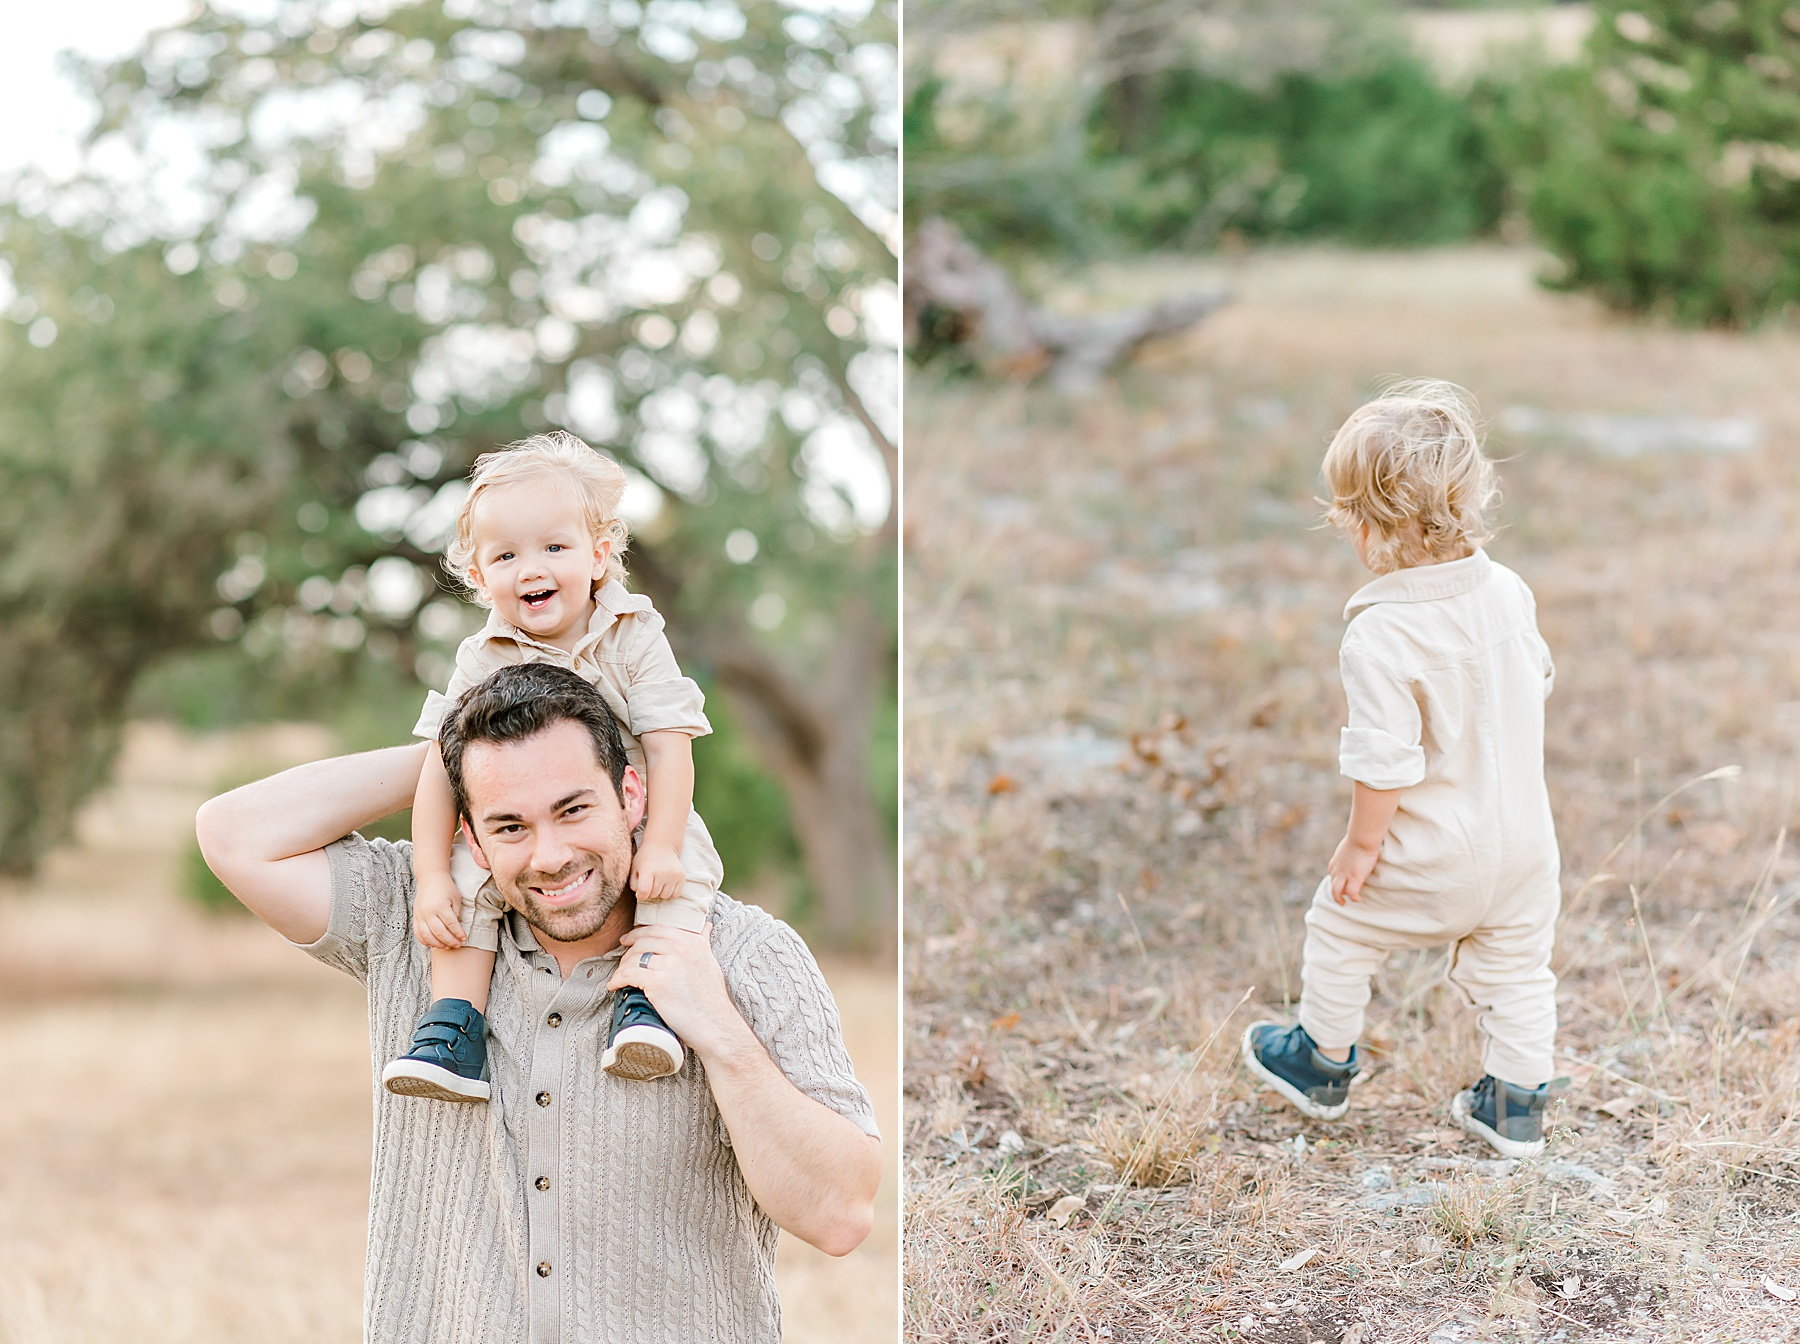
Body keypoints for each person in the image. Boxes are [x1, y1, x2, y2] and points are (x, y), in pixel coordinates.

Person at [195, 662, 881, 1343]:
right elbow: (233, 835)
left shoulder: (748, 955)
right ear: (470, 835)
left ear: (633, 794)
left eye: (573, 808)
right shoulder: (420, 920)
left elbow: (840, 1215)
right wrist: (450, 758)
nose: (550, 855)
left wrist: (720, 1031)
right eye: (510, 824)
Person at [1240, 379, 1562, 1159]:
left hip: (1432, 854)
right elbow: (1539, 681)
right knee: (1518, 970)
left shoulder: (1380, 634)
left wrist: (1361, 846)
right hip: (1524, 848)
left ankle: (1321, 1060)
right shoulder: (1510, 592)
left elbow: (1384, 765)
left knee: (1342, 925)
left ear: (1365, 523)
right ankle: (1516, 1105)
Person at [385, 431, 721, 1102]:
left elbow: (669, 742)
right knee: (466, 875)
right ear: (479, 577)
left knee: (682, 875)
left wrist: (656, 843)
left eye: (554, 548)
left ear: (598, 556)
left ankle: (645, 1004)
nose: (530, 568)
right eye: (506, 555)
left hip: (639, 806)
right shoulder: (482, 657)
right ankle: (455, 1026)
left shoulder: (632, 633)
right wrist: (429, 877)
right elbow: (438, 771)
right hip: (525, 821)